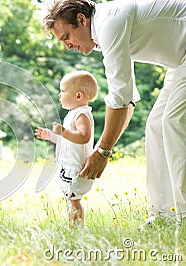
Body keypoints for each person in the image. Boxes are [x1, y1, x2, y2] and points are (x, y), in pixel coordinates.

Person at [42, 0, 186, 222]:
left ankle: (184, 215)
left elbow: (120, 98)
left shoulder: (110, 23)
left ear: (81, 19)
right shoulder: (104, 31)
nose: (67, 46)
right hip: (179, 62)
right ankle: (163, 215)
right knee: (155, 126)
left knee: (173, 121)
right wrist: (101, 150)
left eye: (67, 37)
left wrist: (103, 152)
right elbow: (127, 101)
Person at [36, 70, 98, 226]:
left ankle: (76, 229)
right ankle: (74, 226)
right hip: (69, 166)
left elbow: (84, 136)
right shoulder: (73, 114)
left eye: (63, 91)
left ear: (78, 96)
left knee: (74, 200)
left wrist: (63, 131)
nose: (59, 95)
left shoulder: (81, 115)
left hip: (77, 168)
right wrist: (50, 135)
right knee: (71, 199)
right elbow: (67, 140)